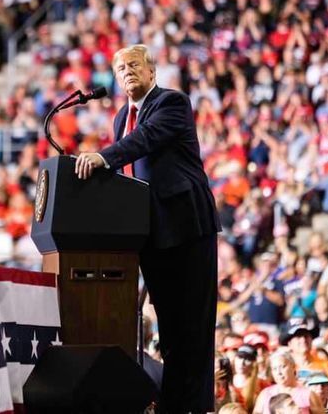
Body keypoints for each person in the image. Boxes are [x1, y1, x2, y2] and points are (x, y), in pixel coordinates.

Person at [74, 44, 220, 412]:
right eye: (120, 68)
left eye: (134, 64)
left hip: (187, 227)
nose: (127, 71)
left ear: (152, 71)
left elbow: (144, 140)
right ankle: (174, 404)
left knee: (193, 328)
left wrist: (103, 156)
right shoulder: (121, 116)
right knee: (170, 331)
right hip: (150, 234)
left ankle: (195, 406)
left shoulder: (171, 102)